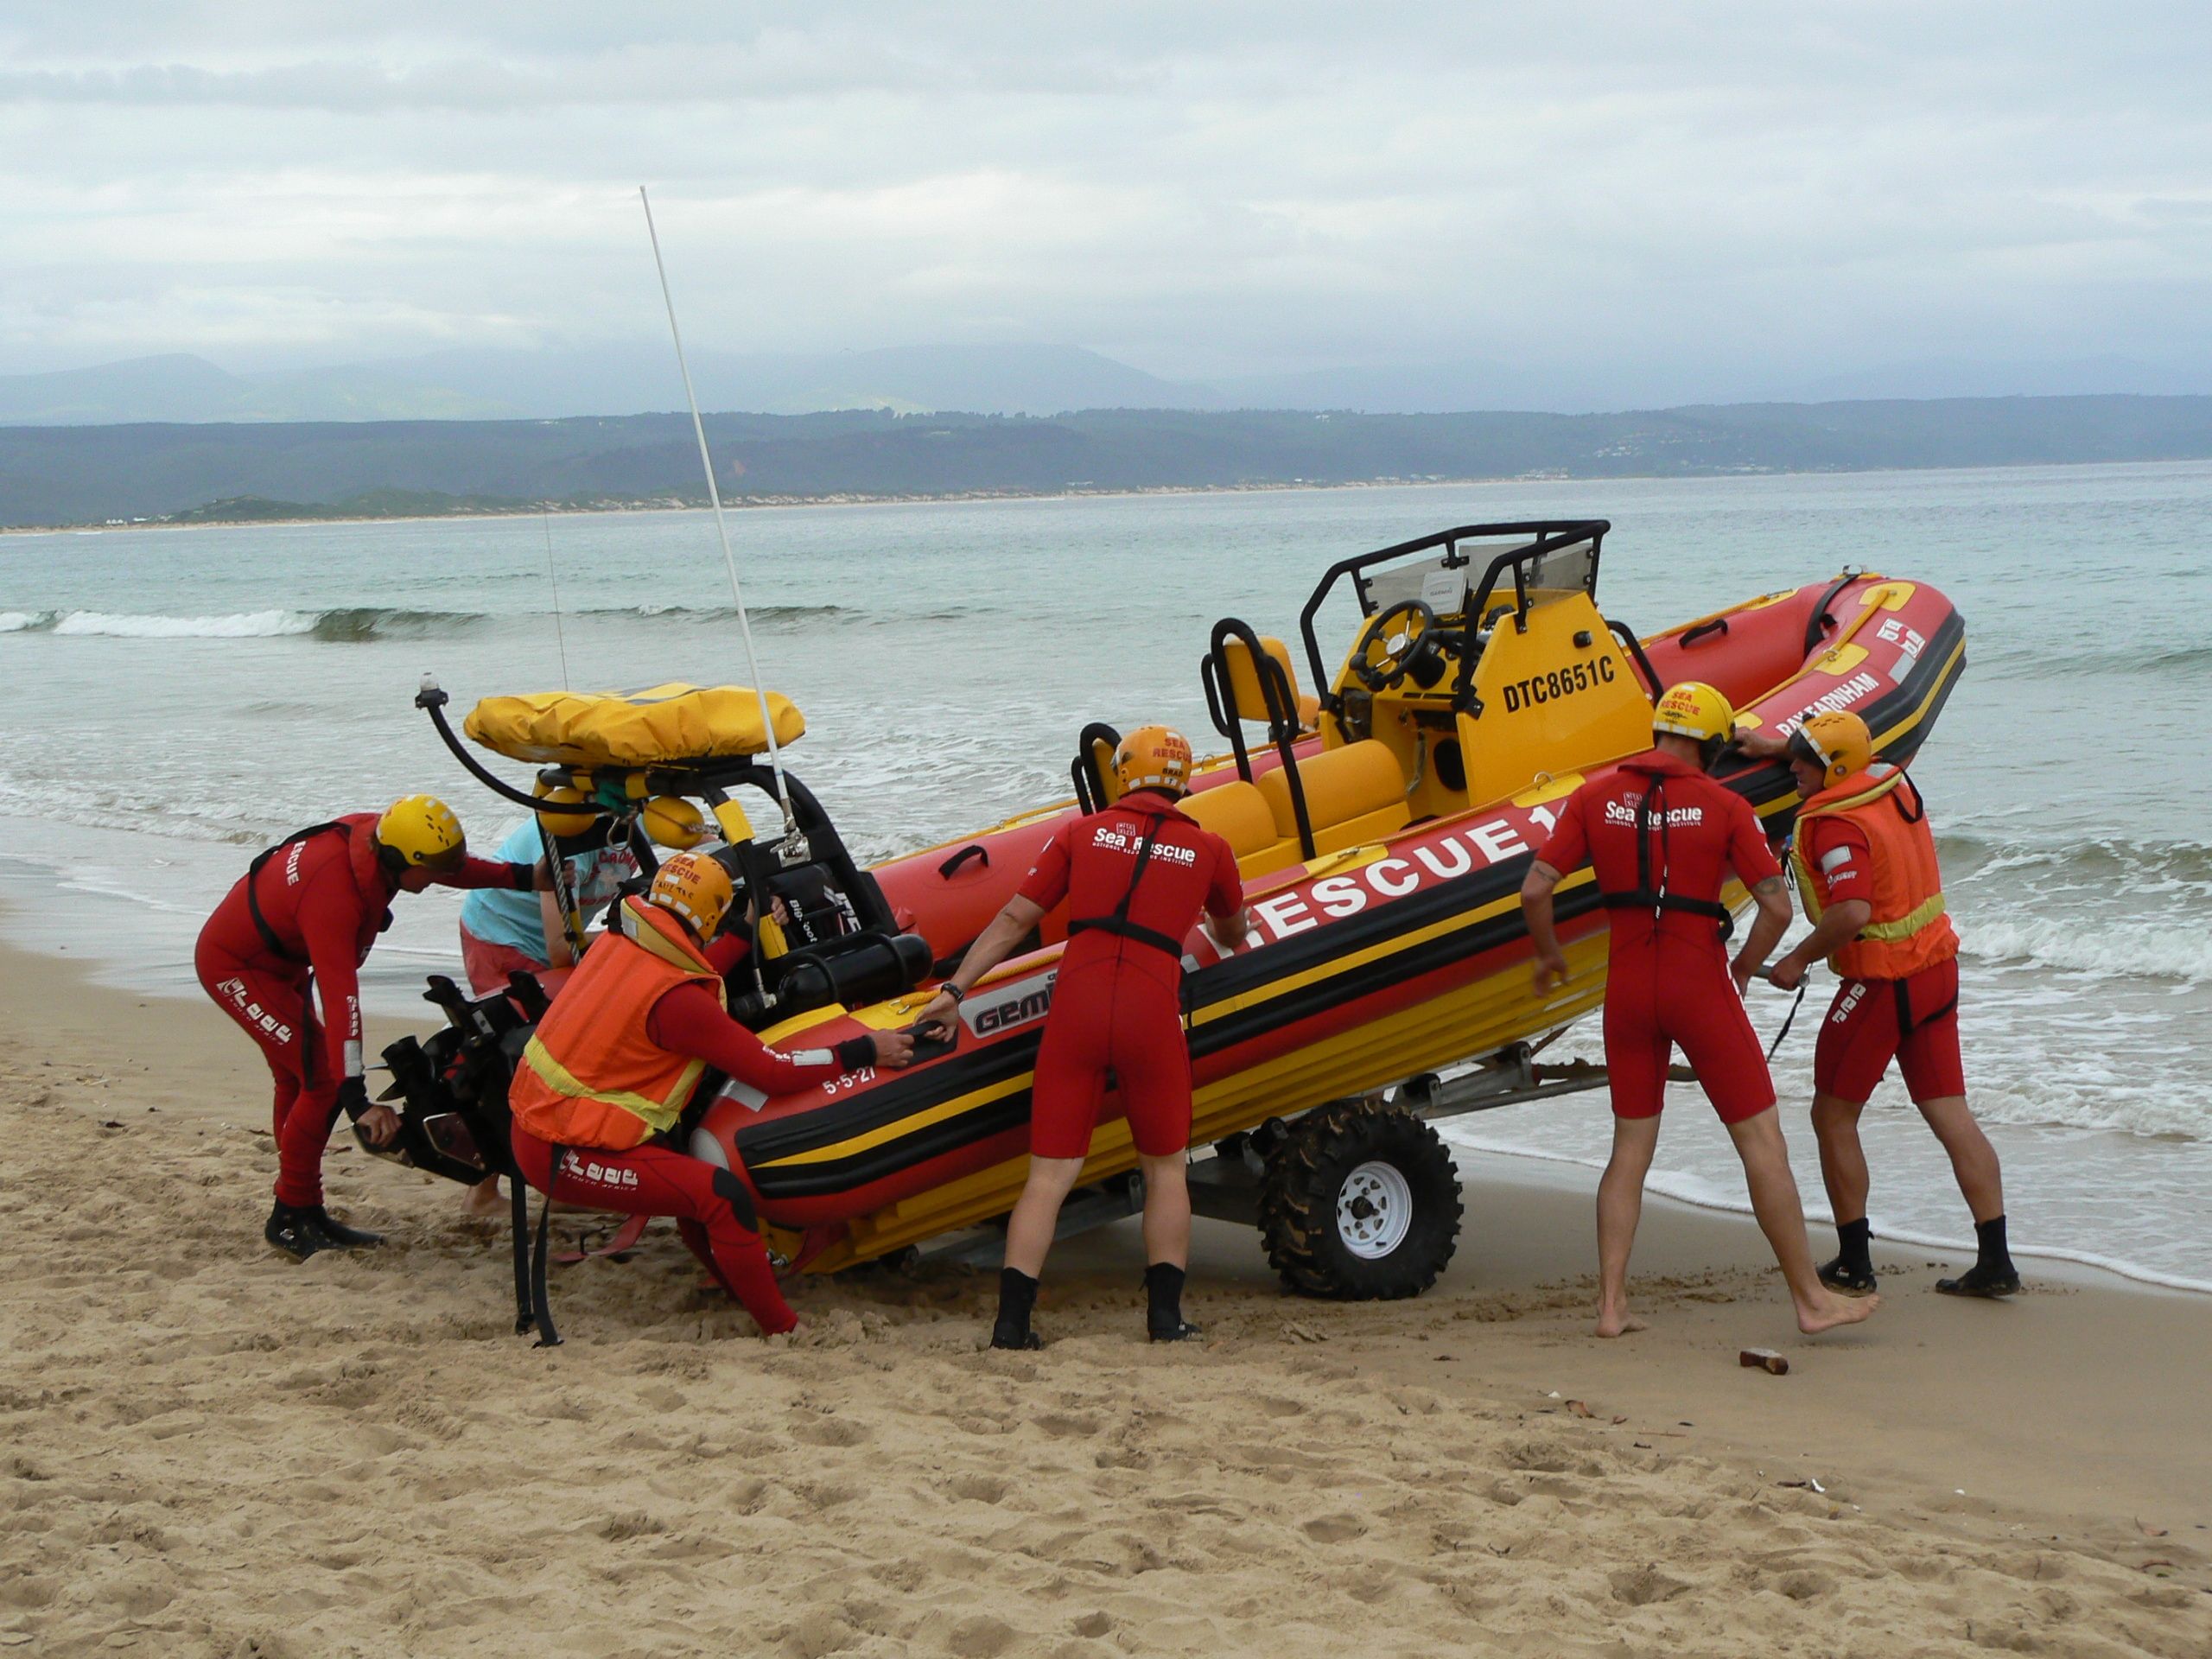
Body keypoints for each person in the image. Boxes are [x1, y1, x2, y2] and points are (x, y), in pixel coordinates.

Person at [1520, 683, 1878, 1338]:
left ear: (1657, 732)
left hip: (1626, 989)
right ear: (1712, 747)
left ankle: (1611, 1306)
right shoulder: (1724, 804)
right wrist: (1744, 966)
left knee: (1629, 1149)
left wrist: (1548, 957)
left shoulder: (1593, 796)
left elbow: (1535, 888)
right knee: (1761, 1143)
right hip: (1698, 986)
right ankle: (1811, 1300)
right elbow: (1776, 904)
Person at [916, 725, 1250, 1349]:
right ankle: (1164, 1321)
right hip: (1151, 1011)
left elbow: (1016, 918)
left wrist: (955, 991)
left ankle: (1012, 1326)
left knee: (1048, 1175)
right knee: (1166, 1169)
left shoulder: (1079, 832)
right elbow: (1234, 932)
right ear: (1182, 780)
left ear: (1123, 774)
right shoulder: (1210, 849)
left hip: (1078, 1006)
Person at [505, 850, 914, 1336]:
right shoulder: (677, 1001)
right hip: (564, 1150)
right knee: (719, 1196)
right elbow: (773, 1071)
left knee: (691, 1188)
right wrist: (866, 1050)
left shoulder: (621, 943)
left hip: (541, 1127)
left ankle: (734, 1280)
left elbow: (692, 968)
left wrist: (744, 932)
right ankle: (782, 1327)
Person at [197, 796, 550, 1260]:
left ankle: (301, 1202)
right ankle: (291, 1213)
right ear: (397, 861)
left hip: (279, 957)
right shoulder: (334, 897)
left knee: (298, 1077)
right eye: (432, 870)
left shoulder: (387, 840)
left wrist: (522, 878)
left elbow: (452, 866)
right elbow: (343, 999)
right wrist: (357, 1099)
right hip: (237, 967)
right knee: (323, 1082)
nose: (441, 878)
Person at [1748, 710, 2018, 1298]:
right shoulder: (1893, 780)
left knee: (1832, 1116)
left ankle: (1853, 1260)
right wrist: (1773, 745)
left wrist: (1796, 960)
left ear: (1834, 769)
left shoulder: (1837, 825)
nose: (1794, 768)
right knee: (1950, 1113)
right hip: (1937, 972)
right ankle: (1997, 1261)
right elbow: (1849, 757)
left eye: (1804, 761)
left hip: (1883, 985)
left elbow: (1851, 912)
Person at [456, 789, 640, 999]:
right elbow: (562, 950)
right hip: (501, 933)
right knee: (542, 1021)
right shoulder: (571, 842)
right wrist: (635, 934)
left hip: (549, 937)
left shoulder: (641, 816)